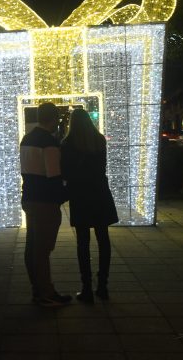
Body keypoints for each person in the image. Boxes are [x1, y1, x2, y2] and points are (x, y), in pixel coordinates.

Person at [60, 108, 119, 303]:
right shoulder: (99, 140)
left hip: (81, 196)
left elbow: (66, 173)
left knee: (82, 242)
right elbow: (102, 167)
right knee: (103, 238)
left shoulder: (67, 144)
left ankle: (86, 288)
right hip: (100, 193)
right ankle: (103, 285)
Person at [20, 102, 71, 307]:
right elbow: (54, 175)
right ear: (55, 119)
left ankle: (37, 290)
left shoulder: (27, 139)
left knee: (32, 247)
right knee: (42, 249)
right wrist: (65, 194)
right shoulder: (48, 142)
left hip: (29, 197)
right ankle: (46, 293)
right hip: (45, 201)